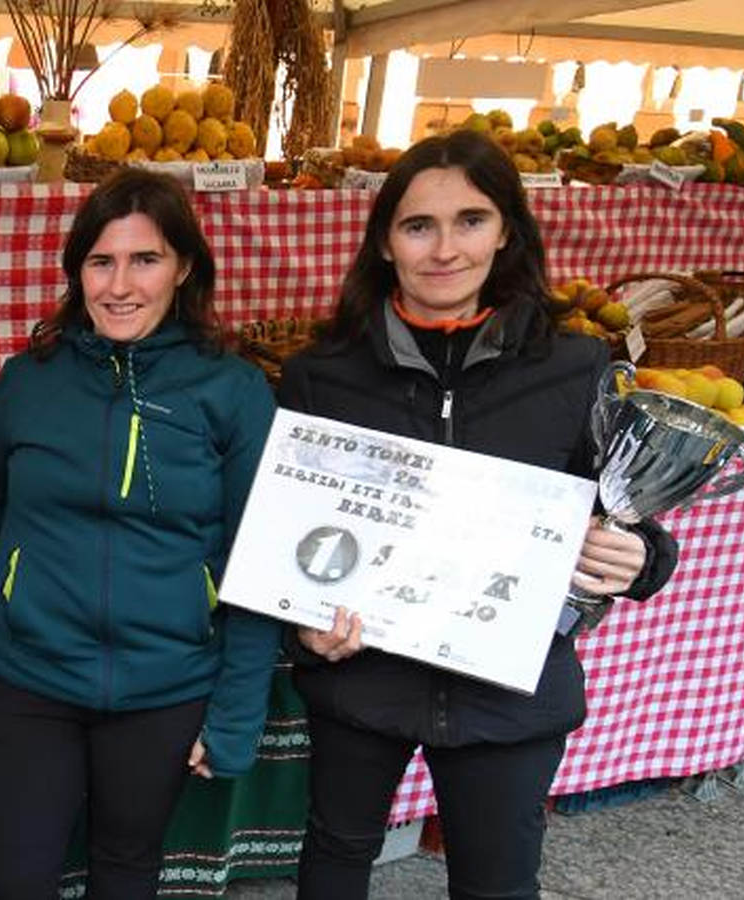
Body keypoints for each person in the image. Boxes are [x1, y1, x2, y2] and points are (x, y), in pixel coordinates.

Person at [278, 129, 679, 900]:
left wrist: (639, 560)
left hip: (510, 692)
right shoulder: (322, 377)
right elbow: (288, 534)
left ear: (507, 234)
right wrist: (297, 623)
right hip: (363, 680)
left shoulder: (577, 367)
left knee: (497, 884)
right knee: (334, 861)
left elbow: (627, 513)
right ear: (385, 242)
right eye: (418, 225)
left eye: (471, 220)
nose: (444, 249)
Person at [0, 168, 281, 898]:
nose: (119, 285)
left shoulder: (235, 390)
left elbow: (256, 556)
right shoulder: (31, 379)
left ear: (184, 267)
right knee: (17, 879)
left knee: (126, 871)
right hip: (32, 677)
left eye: (145, 260)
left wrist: (238, 713)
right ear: (77, 271)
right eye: (101, 261)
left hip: (166, 682)